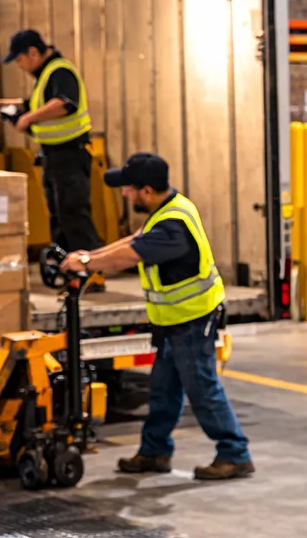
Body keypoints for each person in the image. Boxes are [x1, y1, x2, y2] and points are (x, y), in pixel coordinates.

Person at [62, 152, 254, 481]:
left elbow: (130, 255)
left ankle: (235, 454)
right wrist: (88, 256)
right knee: (163, 390)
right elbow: (135, 240)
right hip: (172, 321)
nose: (124, 193)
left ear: (147, 191)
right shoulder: (166, 209)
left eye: (129, 189)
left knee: (203, 389)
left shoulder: (172, 226)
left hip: (192, 320)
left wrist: (87, 264)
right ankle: (154, 452)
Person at [0, 29, 104, 260]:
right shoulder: (46, 75)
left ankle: (91, 269)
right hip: (54, 155)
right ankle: (67, 266)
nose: (19, 65)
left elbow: (64, 104)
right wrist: (3, 105)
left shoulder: (60, 71)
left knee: (74, 214)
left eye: (19, 59)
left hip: (69, 153)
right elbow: (32, 104)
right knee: (59, 216)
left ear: (33, 52)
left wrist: (28, 118)